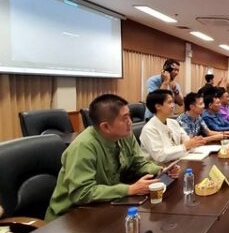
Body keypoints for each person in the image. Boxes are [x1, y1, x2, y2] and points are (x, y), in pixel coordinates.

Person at [45, 94, 177, 221]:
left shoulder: (125, 136)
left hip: (105, 204)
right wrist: (129, 189)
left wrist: (160, 170)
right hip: (70, 216)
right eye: (125, 119)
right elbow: (82, 193)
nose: (130, 122)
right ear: (106, 127)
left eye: (129, 116)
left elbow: (138, 162)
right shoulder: (83, 147)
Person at [140, 90, 206, 164]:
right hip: (158, 168)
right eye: (169, 102)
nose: (173, 105)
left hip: (176, 163)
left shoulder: (173, 122)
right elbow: (160, 156)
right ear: (158, 106)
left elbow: (185, 137)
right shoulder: (149, 129)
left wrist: (192, 142)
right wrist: (185, 146)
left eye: (173, 102)